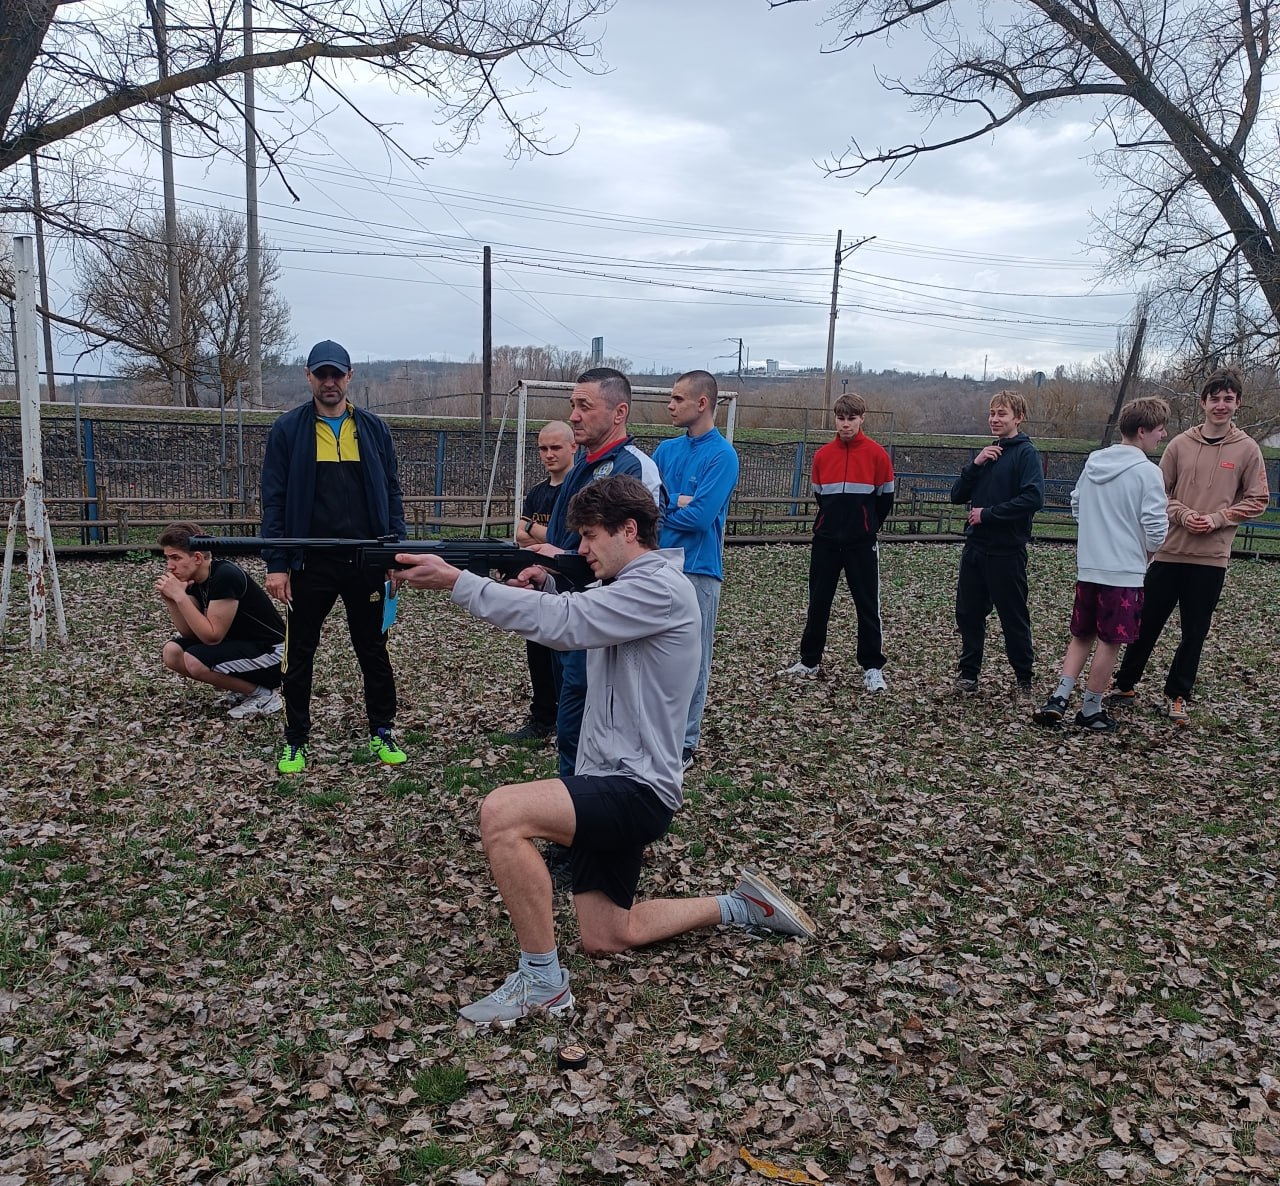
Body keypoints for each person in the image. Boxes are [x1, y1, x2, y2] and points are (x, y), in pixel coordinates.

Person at [394, 475, 816, 1025]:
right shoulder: (629, 587)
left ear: (629, 530)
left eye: (590, 536)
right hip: (612, 779)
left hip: (635, 788)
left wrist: (459, 581)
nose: (583, 549)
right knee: (609, 935)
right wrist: (543, 583)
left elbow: (569, 624)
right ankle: (741, 906)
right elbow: (575, 609)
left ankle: (542, 983)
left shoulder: (659, 587)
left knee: (502, 812)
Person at [260, 339, 408, 774]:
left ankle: (382, 730)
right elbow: (274, 499)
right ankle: (295, 740)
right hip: (310, 563)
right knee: (299, 652)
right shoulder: (288, 430)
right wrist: (277, 563)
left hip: (366, 560)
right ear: (308, 377)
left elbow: (393, 494)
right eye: (321, 374)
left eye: (336, 374)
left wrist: (394, 554)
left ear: (350, 376)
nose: (329, 382)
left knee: (373, 649)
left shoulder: (374, 429)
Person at [1107, 368, 1270, 725]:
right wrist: (1181, 513)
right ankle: (1125, 684)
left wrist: (1218, 518)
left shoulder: (1247, 449)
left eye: (1228, 399)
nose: (1221, 405)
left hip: (1211, 558)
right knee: (1145, 623)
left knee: (1194, 631)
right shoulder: (1180, 444)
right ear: (1203, 403)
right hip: (1169, 551)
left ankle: (1178, 695)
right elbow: (1157, 492)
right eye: (1215, 398)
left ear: (1237, 404)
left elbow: (1259, 499)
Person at [536, 367, 663, 779]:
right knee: (570, 725)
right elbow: (564, 541)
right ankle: (571, 813)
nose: (573, 415)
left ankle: (586, 820)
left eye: (584, 406)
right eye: (572, 405)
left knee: (587, 726)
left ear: (618, 412)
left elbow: (633, 557)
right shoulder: (577, 469)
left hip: (601, 623)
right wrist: (543, 571)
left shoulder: (634, 468)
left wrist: (560, 559)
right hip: (568, 613)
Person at [1032, 398, 1170, 733]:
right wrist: (1148, 552)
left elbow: (1077, 503)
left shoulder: (1095, 462)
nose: (1162, 436)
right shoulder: (1148, 473)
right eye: (1159, 430)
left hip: (1090, 567)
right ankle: (1091, 707)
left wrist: (1093, 534)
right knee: (1110, 641)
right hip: (1123, 572)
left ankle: (1059, 697)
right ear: (1142, 431)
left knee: (1082, 635)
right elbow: (1156, 526)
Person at [777, 391, 894, 690]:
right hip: (826, 542)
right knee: (818, 603)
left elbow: (885, 500)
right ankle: (809, 661)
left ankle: (872, 667)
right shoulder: (822, 456)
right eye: (841, 419)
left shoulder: (877, 455)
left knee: (867, 605)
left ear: (862, 419)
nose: (845, 425)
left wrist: (866, 527)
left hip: (861, 544)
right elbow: (820, 496)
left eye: (851, 419)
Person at [652, 370, 740, 768]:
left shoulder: (722, 456)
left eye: (677, 399)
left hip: (698, 570)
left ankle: (684, 743)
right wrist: (679, 505)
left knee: (693, 658)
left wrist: (672, 510)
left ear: (701, 403)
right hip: (653, 565)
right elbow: (644, 507)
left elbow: (702, 517)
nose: (670, 405)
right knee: (650, 651)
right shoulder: (665, 451)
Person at [950, 390, 1045, 702]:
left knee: (1013, 617)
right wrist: (974, 464)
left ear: (1018, 418)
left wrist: (988, 515)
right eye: (992, 413)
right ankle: (968, 673)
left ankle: (1023, 680)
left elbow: (1033, 498)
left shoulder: (1026, 454)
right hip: (976, 548)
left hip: (1007, 551)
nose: (995, 419)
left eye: (1002, 414)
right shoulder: (988, 454)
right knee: (969, 613)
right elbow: (956, 495)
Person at [156, 521, 285, 719]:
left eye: (176, 558)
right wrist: (173, 601)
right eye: (167, 558)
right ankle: (246, 690)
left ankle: (264, 696)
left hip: (276, 656)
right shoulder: (192, 580)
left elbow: (211, 637)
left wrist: (181, 597)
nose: (170, 566)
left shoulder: (225, 575)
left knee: (194, 659)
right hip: (243, 647)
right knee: (172, 652)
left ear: (197, 557)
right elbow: (190, 633)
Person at [504, 420, 575, 743]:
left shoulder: (577, 490)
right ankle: (542, 717)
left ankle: (566, 720)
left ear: (573, 448)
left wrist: (533, 529)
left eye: (555, 447)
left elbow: (567, 540)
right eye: (543, 449)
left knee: (565, 656)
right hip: (535, 582)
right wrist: (537, 533)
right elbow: (519, 536)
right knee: (537, 651)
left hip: (567, 583)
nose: (548, 455)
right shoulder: (537, 492)